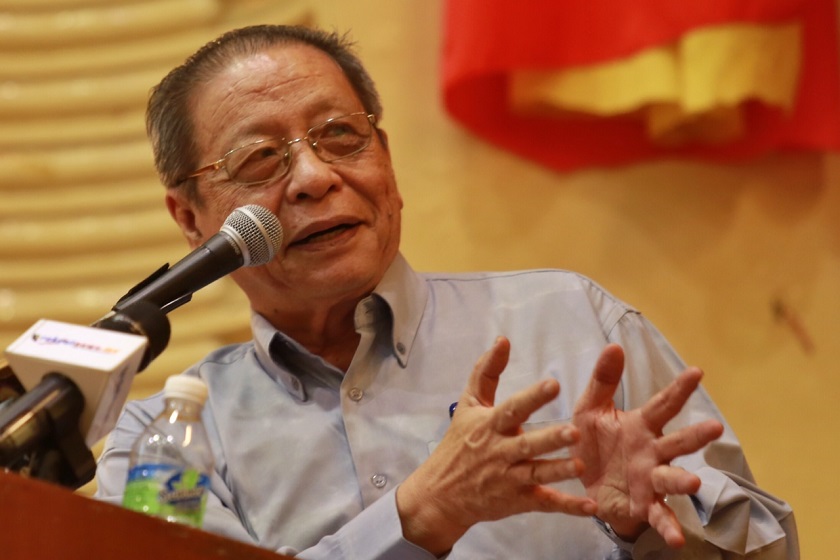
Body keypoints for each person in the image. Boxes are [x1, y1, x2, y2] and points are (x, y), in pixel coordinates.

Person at [95, 24, 798, 559]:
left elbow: (770, 546)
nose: (313, 177)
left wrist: (647, 529)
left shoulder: (574, 325)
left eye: (340, 136)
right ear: (190, 218)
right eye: (259, 159)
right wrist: (418, 518)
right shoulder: (169, 441)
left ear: (386, 159)